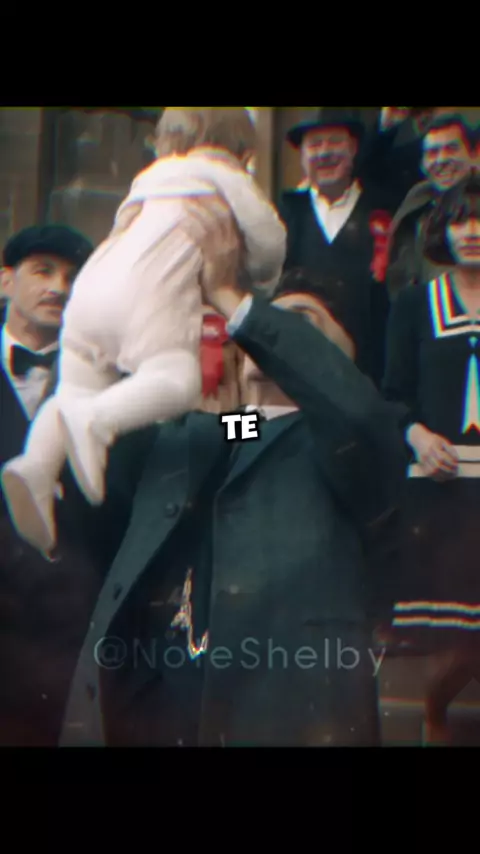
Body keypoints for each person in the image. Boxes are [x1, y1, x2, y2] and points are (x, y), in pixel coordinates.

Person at [59, 198, 406, 748]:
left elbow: (357, 415)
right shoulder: (225, 430)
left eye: (300, 324)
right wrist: (126, 289)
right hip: (157, 706)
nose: (265, 338)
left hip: (279, 711)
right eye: (261, 327)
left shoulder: (351, 434)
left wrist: (234, 298)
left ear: (344, 357)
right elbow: (109, 451)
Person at [1, 108, 286, 558]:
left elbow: (252, 432)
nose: (57, 288)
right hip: (113, 537)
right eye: (42, 271)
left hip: (206, 533)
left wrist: (235, 418)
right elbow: (170, 438)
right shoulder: (156, 316)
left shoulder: (258, 361)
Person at [0, 224, 124, 745]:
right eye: (43, 271)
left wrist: (258, 420)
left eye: (73, 277)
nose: (59, 287)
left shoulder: (116, 376)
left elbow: (206, 423)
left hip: (68, 626)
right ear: (6, 280)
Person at [383, 172, 480, 745]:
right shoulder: (415, 304)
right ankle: (434, 715)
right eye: (460, 220)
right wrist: (417, 436)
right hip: (441, 487)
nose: (471, 231)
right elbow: (392, 395)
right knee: (454, 630)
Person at [280, 107, 393, 387]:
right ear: (302, 155)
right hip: (302, 373)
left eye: (334, 142)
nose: (324, 153)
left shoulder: (385, 209)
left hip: (372, 372)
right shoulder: (284, 212)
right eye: (315, 145)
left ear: (353, 148)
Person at [386, 113, 474, 298]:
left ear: (472, 154)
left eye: (451, 149)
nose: (441, 160)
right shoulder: (416, 201)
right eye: (433, 153)